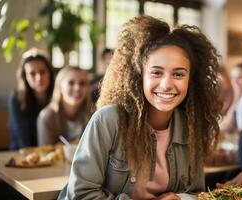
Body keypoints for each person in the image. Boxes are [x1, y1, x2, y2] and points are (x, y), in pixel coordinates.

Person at [58, 15, 222, 199]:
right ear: (139, 75)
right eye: (156, 72)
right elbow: (80, 194)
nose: (167, 84)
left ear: (190, 80)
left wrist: (180, 198)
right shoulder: (109, 120)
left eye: (178, 74)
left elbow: (196, 192)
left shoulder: (191, 127)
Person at [8, 48, 54, 150]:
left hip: (52, 154)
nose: (38, 78)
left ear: (50, 73)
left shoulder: (57, 95)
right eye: (32, 73)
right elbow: (23, 141)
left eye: (42, 72)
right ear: (25, 77)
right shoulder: (16, 99)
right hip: (22, 155)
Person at [37, 66, 91, 145]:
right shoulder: (46, 117)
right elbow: (46, 152)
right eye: (71, 83)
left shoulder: (93, 113)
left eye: (82, 83)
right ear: (60, 86)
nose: (77, 88)